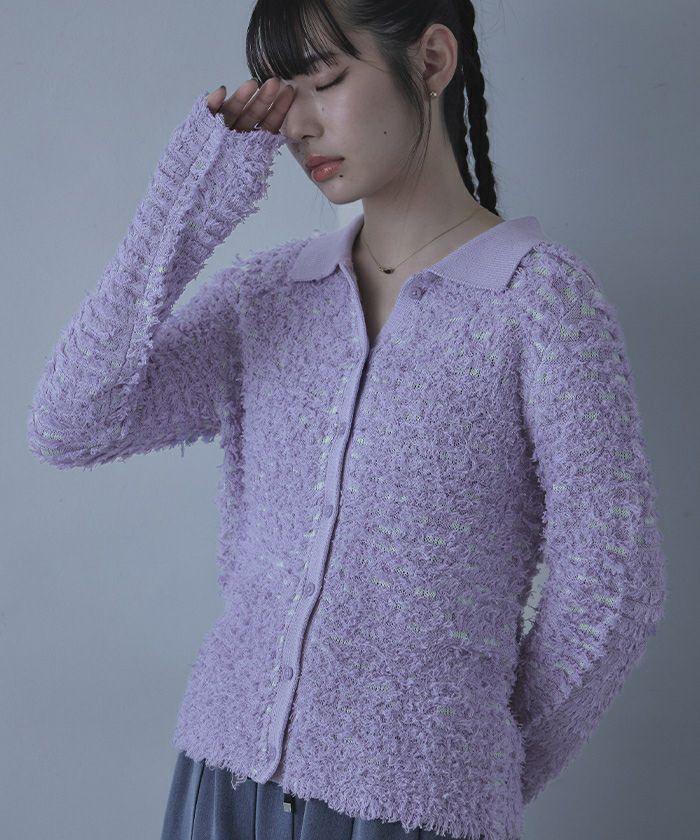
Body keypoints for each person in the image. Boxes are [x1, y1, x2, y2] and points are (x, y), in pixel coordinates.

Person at [27, 2, 668, 839]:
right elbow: (70, 422)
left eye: (325, 80)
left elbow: (613, 586)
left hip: (412, 806)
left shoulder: (539, 306)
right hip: (220, 785)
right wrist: (192, 197)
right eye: (281, 93)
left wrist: (471, 764)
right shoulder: (271, 297)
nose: (297, 125)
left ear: (431, 62)